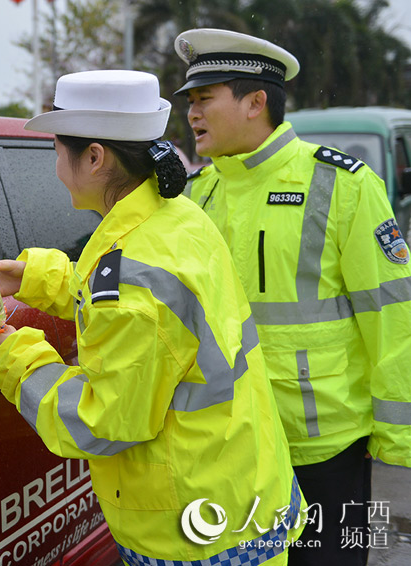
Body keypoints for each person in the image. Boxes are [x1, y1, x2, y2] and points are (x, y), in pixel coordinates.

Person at [0, 70, 303, 564]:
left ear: (95, 156)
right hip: (239, 483)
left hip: (192, 529)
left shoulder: (135, 273)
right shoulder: (174, 217)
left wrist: (7, 352)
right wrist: (31, 276)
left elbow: (102, 422)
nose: (57, 168)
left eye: (58, 152)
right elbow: (127, 297)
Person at [173, 28, 411, 565]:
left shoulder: (343, 184)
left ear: (257, 101)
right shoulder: (200, 192)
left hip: (326, 447)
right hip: (235, 443)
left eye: (205, 98)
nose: (192, 115)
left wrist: (398, 439)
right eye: (190, 101)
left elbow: (393, 314)